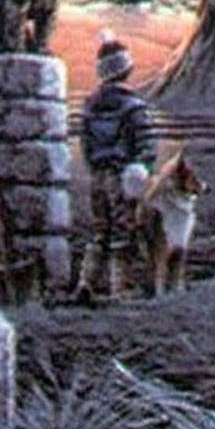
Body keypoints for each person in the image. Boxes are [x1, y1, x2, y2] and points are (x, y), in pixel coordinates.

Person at [74, 32, 155, 303]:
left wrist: (96, 167)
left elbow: (86, 145)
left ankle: (86, 281)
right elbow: (145, 146)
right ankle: (120, 287)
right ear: (126, 69)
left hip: (98, 176)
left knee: (100, 231)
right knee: (124, 230)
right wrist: (144, 170)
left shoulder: (89, 106)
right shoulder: (135, 107)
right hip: (123, 178)